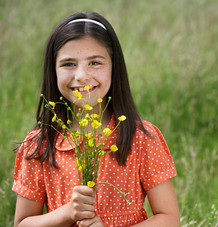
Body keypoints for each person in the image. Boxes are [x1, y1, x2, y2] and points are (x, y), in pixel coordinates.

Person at [12, 12, 180, 227]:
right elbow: (22, 224)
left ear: (114, 67)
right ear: (53, 71)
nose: (81, 75)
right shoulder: (39, 145)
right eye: (69, 64)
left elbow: (169, 219)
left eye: (95, 62)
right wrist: (66, 213)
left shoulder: (142, 138)